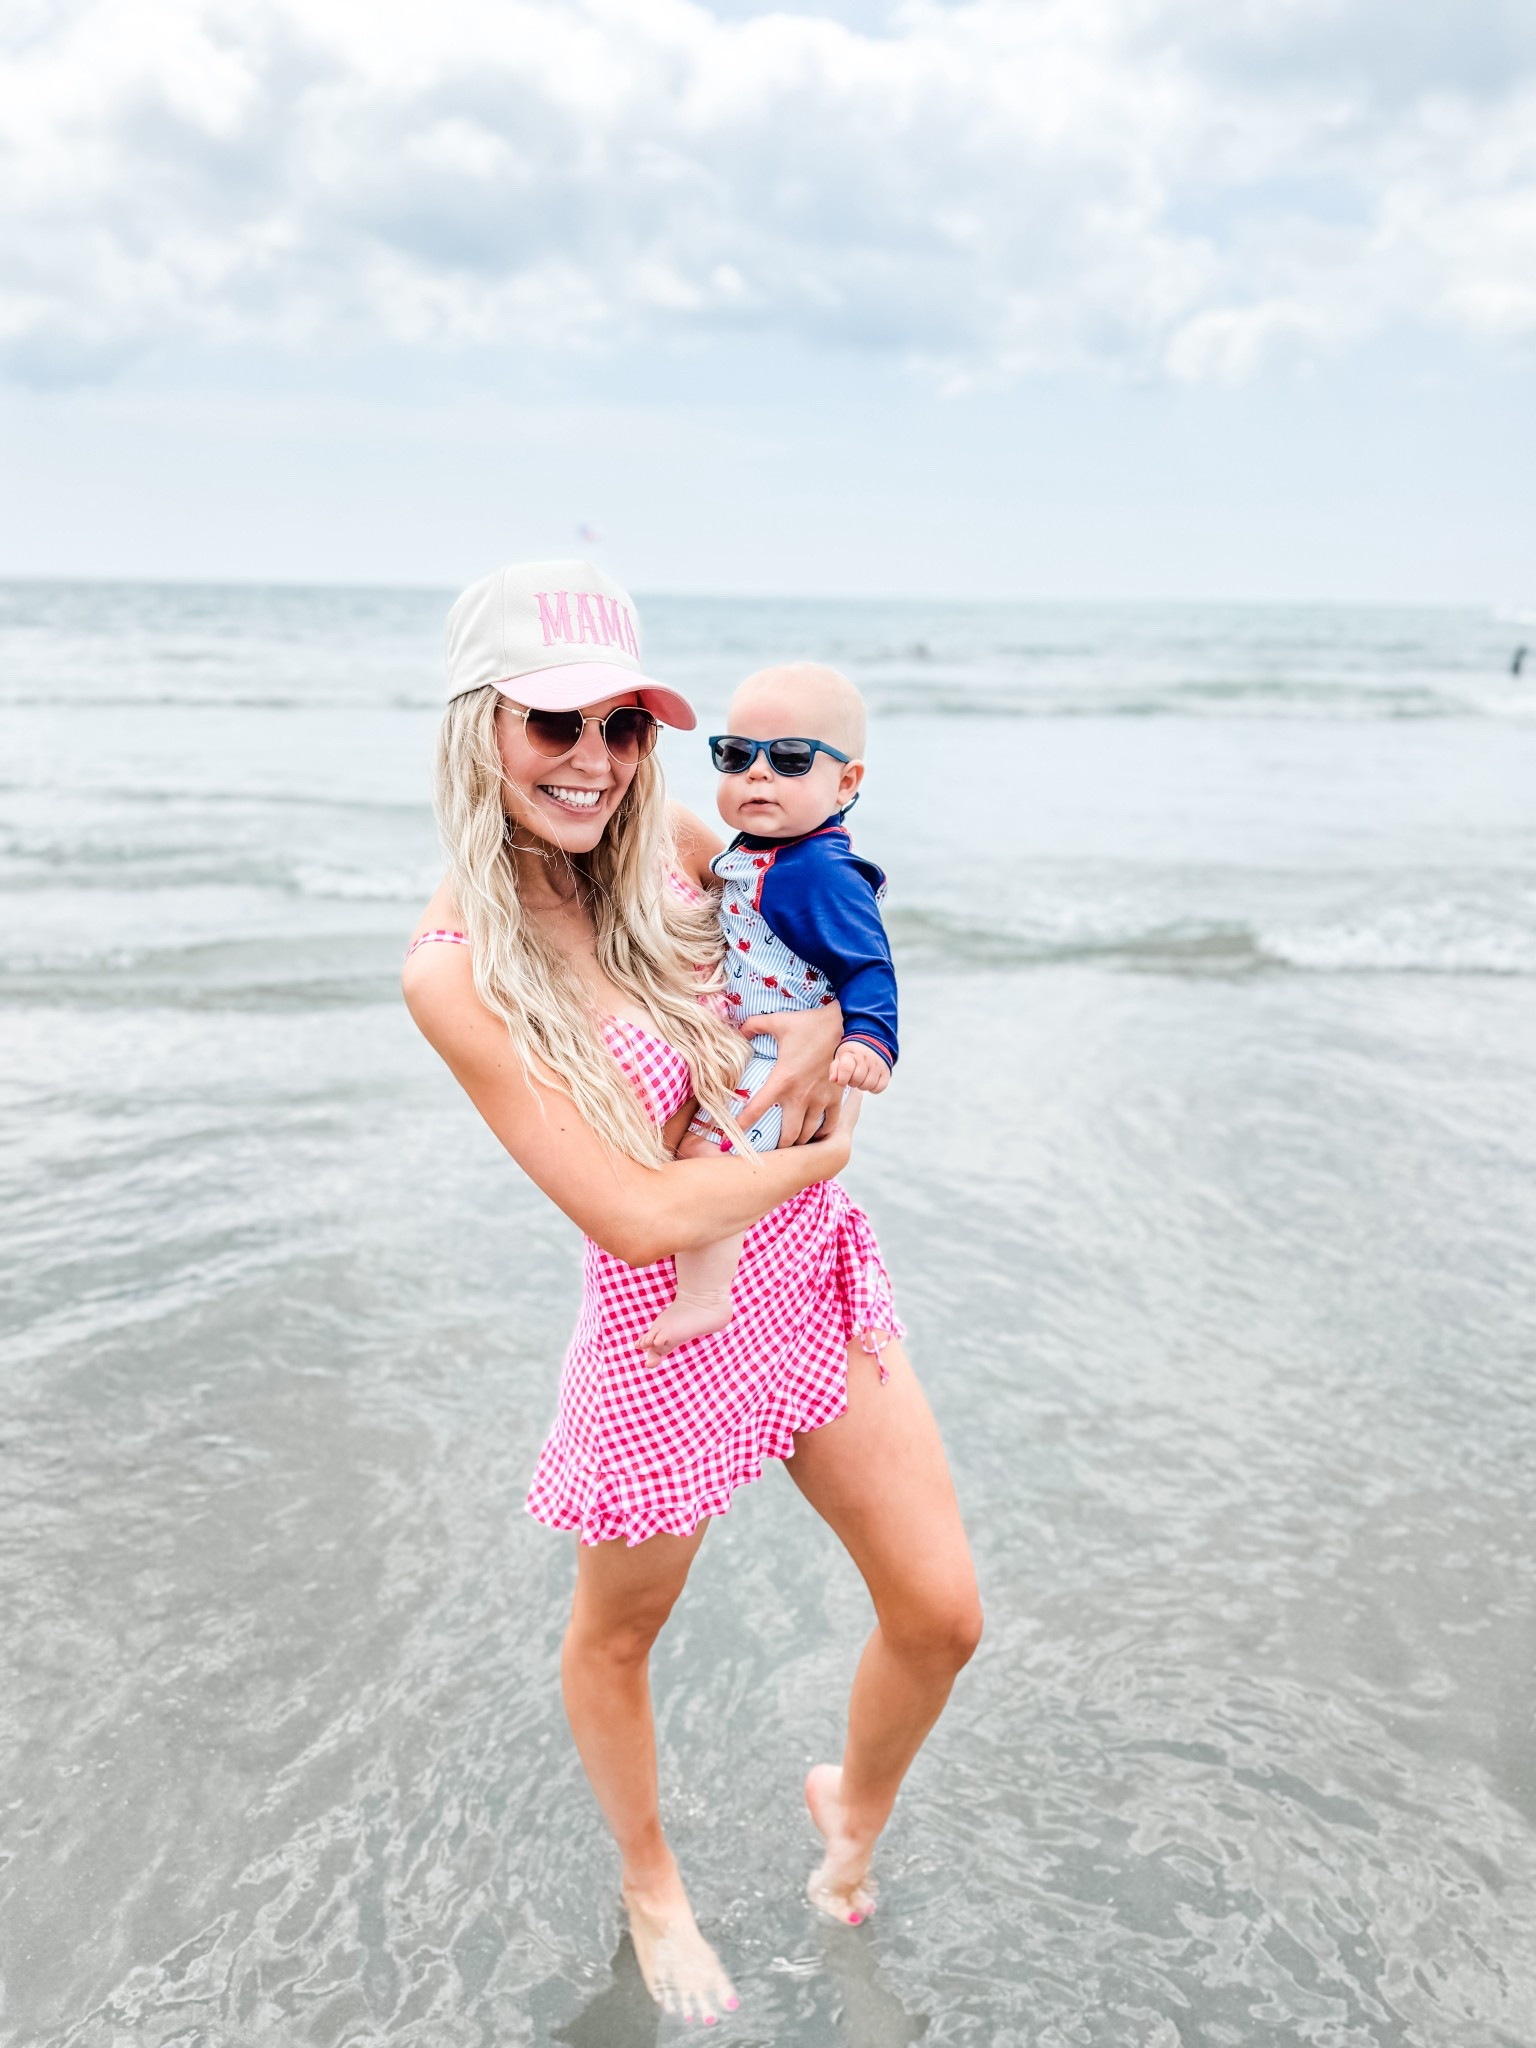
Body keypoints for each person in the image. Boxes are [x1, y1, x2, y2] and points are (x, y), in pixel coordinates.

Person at [403, 561, 982, 2027]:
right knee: (617, 1635)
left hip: (803, 1276)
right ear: (479, 728)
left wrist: (851, 1033)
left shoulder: (666, 834)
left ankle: (847, 1799)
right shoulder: (456, 971)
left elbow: (821, 901)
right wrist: (828, 1147)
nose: (594, 763)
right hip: (668, 1326)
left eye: (624, 725)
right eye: (554, 727)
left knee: (941, 1613)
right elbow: (634, 1208)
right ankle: (650, 1881)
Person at [644, 662, 897, 1365]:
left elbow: (869, 964)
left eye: (790, 759)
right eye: (736, 755)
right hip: (759, 1042)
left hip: (777, 1058)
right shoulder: (760, 853)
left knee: (706, 1155)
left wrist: (869, 1040)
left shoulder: (819, 872)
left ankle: (706, 1296)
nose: (758, 775)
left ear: (846, 784)